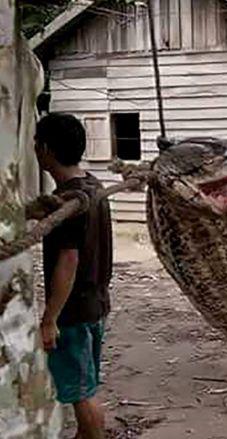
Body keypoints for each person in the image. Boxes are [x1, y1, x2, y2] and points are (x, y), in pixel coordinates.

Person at [34, 113, 112, 439]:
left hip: (74, 312)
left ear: (47, 149)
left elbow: (68, 259)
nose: (34, 149)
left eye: (36, 143)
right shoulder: (93, 187)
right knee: (87, 383)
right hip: (96, 304)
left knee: (82, 392)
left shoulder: (71, 202)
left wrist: (50, 317)